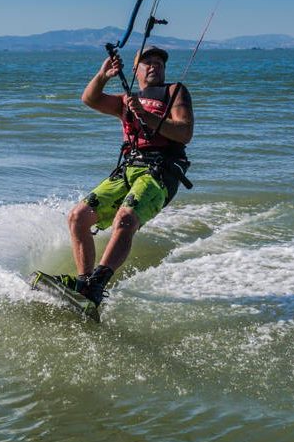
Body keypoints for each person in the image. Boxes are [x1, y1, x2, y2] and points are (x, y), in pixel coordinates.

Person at [58, 47, 194, 308]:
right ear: (135, 70)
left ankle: (97, 285)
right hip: (128, 169)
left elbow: (185, 132)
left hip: (160, 171)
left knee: (126, 218)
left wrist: (146, 116)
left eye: (158, 63)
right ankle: (84, 283)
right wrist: (103, 75)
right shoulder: (125, 99)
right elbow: (89, 98)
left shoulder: (174, 91)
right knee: (78, 217)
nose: (154, 66)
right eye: (147, 63)